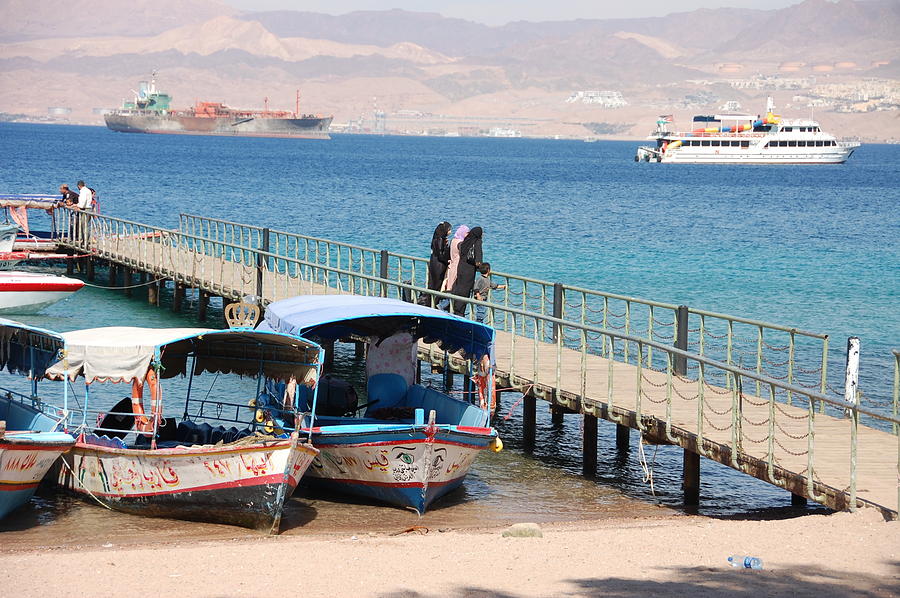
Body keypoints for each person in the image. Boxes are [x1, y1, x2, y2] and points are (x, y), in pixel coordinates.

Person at [450, 226, 483, 317]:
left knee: (459, 288)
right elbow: (478, 260)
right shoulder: (477, 242)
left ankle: (455, 310)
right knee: (465, 291)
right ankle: (460, 313)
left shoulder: (466, 241)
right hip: (469, 270)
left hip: (461, 268)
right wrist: (482, 268)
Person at [419, 221, 451, 306]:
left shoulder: (436, 238)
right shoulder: (440, 239)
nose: (450, 232)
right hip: (439, 266)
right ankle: (432, 304)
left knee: (432, 284)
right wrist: (447, 260)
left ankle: (429, 303)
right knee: (437, 286)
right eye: (449, 230)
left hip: (434, 263)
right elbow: (441, 255)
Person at [438, 224, 468, 310]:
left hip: (451, 265)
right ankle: (443, 306)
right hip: (457, 266)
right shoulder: (460, 243)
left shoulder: (453, 240)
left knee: (449, 287)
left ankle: (444, 306)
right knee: (454, 289)